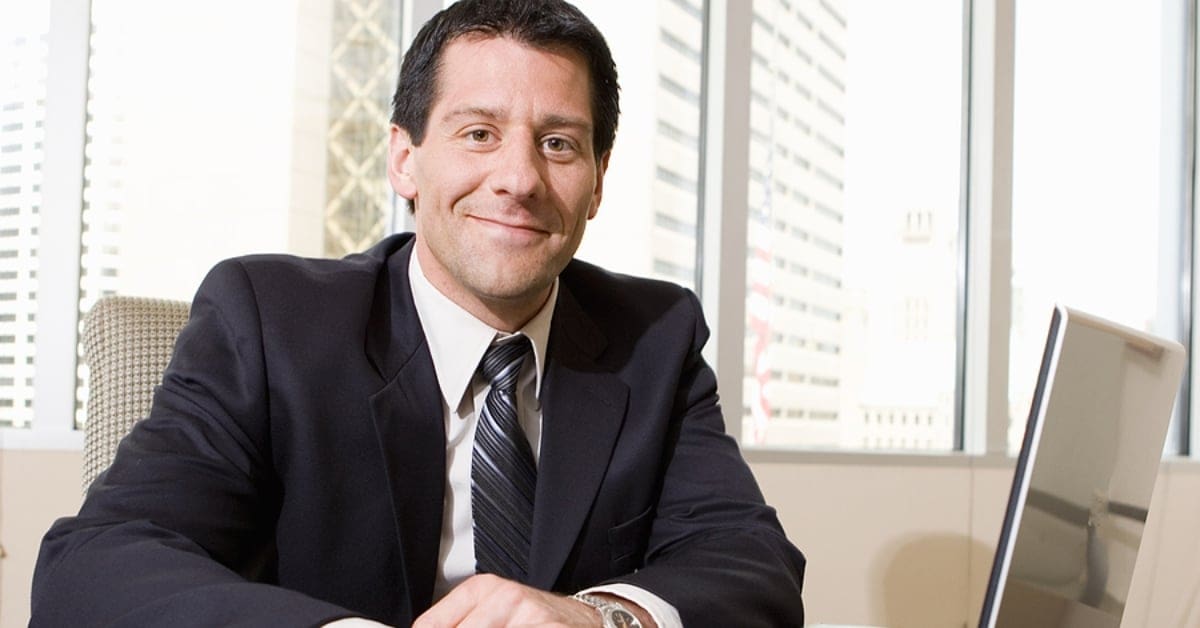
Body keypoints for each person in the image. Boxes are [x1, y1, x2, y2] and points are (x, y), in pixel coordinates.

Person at [31, 0, 806, 626]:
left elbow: (752, 566)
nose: (519, 178)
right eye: (478, 134)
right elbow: (96, 567)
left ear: (598, 181)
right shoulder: (267, 321)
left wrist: (597, 619)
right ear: (405, 158)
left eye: (559, 145)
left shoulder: (656, 337)